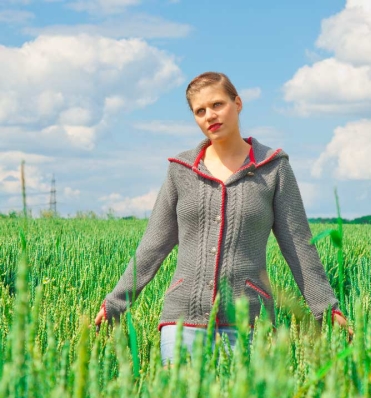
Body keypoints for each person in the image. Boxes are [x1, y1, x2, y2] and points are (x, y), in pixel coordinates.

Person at [94, 72, 352, 365]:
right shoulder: (182, 170)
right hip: (182, 324)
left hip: (249, 324)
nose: (209, 116)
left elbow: (299, 246)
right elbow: (153, 245)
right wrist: (116, 301)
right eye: (199, 111)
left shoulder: (273, 168)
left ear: (237, 103)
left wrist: (326, 307)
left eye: (217, 104)